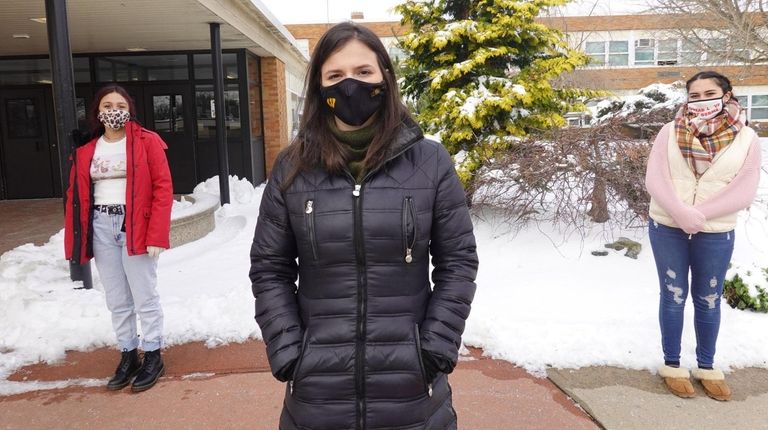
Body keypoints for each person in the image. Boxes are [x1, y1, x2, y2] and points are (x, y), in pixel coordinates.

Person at [249, 22, 478, 429]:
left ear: (385, 78)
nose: (350, 85)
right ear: (319, 87)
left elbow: (458, 262)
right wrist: (289, 351)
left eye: (364, 72)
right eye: (335, 76)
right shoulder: (292, 167)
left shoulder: (430, 162)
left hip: (412, 388)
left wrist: (435, 348)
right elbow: (270, 268)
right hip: (317, 390)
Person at [645, 71, 762, 401]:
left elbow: (744, 190)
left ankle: (707, 365)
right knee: (673, 295)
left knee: (708, 299)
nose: (700, 101)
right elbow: (656, 178)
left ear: (727, 95)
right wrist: (680, 212)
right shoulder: (669, 131)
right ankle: (672, 364)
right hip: (667, 226)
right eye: (694, 96)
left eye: (708, 93)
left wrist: (700, 215)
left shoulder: (747, 139)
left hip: (715, 232)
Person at [64, 84, 173, 392]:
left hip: (135, 225)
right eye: (108, 105)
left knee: (144, 294)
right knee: (117, 298)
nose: (114, 111)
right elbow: (77, 196)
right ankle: (129, 353)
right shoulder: (87, 150)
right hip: (101, 226)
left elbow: (163, 189)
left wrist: (157, 235)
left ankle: (152, 354)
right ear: (98, 112)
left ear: (129, 110)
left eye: (120, 106)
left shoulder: (146, 142)